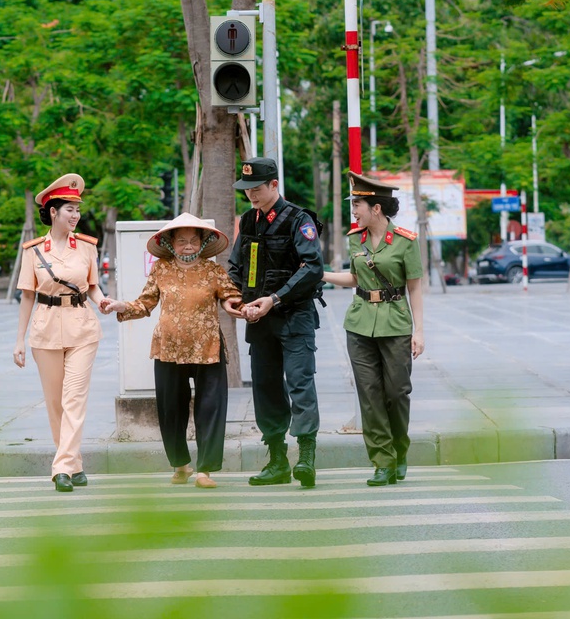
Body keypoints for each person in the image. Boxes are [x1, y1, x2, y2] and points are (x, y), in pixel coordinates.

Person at [101, 214, 243, 488]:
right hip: (168, 348)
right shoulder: (161, 270)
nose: (188, 246)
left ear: (202, 243)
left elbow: (230, 296)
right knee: (170, 409)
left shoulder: (214, 271)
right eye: (181, 241)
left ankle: (205, 471)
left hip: (208, 348)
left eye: (193, 240)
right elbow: (145, 305)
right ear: (171, 244)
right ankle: (181, 465)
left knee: (210, 408)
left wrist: (237, 307)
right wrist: (120, 306)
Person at [227, 157, 325, 489]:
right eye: (247, 190)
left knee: (300, 385)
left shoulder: (299, 220)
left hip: (293, 316)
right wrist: (233, 298)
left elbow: (312, 268)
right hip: (259, 319)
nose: (251, 196)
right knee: (266, 389)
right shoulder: (248, 221)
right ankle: (278, 460)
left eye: (256, 189)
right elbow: (235, 267)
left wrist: (275, 298)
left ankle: (307, 457)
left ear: (273, 186)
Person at [322, 171, 425, 487]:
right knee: (369, 395)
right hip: (360, 325)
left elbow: (415, 288)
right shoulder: (355, 239)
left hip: (395, 324)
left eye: (357, 204)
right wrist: (322, 275)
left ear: (376, 208)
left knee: (397, 392)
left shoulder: (406, 242)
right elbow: (354, 278)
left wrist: (419, 331)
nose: (354, 210)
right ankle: (383, 461)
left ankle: (399, 449)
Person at [13, 173, 106, 493]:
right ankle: (74, 464)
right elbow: (27, 295)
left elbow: (93, 287)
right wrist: (19, 340)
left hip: (82, 327)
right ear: (53, 212)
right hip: (45, 327)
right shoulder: (33, 251)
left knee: (74, 398)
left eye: (78, 210)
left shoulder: (87, 248)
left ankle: (61, 467)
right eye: (69, 210)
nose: (76, 216)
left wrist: (104, 300)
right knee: (55, 402)